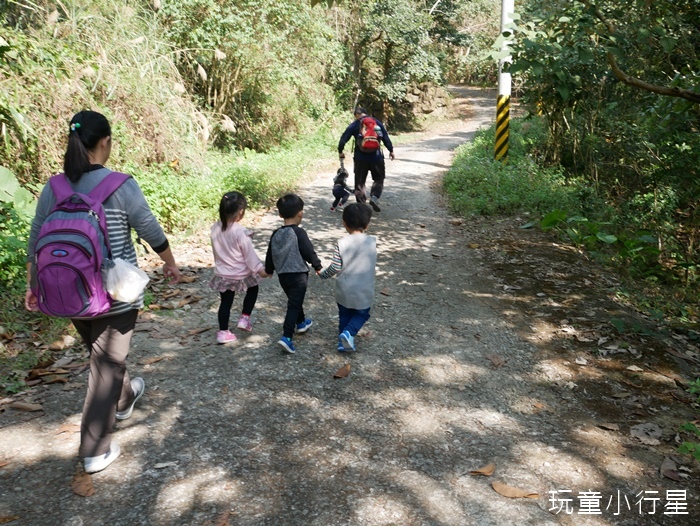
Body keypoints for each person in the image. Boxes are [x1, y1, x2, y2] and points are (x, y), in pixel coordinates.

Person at [25, 110, 182, 474]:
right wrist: (170, 262)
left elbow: (36, 238)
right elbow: (148, 227)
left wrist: (34, 285)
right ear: (105, 142)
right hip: (117, 292)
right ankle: (95, 449)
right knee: (105, 364)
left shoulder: (55, 187)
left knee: (105, 358)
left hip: (69, 291)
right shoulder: (119, 184)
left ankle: (125, 398)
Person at [264, 193, 322, 354]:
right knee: (294, 304)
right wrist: (317, 266)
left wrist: (269, 270)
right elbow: (308, 251)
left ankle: (302, 322)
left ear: (280, 214)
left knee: (294, 300)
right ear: (300, 213)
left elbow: (270, 253)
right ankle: (287, 336)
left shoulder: (276, 233)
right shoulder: (299, 233)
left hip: (283, 276)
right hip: (298, 275)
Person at [210, 191, 269, 344]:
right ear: (241, 212)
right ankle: (245, 318)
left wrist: (220, 265)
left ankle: (223, 332)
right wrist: (259, 269)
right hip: (241, 273)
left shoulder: (215, 228)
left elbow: (215, 251)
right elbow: (249, 255)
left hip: (223, 274)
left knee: (225, 303)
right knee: (253, 287)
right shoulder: (240, 231)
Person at [319, 203, 376, 352]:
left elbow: (335, 267)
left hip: (344, 289)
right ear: (367, 225)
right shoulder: (372, 243)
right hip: (363, 289)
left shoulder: (342, 243)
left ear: (344, 223)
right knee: (362, 314)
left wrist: (323, 274)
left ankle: (342, 341)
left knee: (344, 314)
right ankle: (348, 333)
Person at [337, 106, 395, 212]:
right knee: (378, 178)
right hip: (376, 157)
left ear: (356, 115)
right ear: (366, 113)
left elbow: (343, 139)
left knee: (360, 182)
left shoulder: (355, 125)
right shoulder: (376, 123)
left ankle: (361, 207)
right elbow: (385, 137)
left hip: (360, 159)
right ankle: (374, 197)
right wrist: (391, 150)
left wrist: (340, 151)